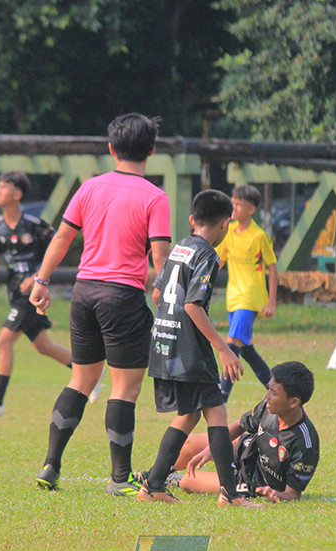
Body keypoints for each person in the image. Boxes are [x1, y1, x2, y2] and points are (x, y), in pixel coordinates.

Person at [29, 113, 172, 496]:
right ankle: (119, 479)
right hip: (122, 298)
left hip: (84, 293)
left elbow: (62, 238)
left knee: (80, 380)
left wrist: (42, 280)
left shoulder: (89, 187)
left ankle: (51, 464)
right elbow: (161, 256)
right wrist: (165, 291)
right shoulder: (155, 197)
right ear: (152, 151)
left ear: (111, 149)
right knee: (124, 388)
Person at [136, 189, 260, 508]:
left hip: (165, 342)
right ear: (225, 224)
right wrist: (223, 348)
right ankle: (230, 494)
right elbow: (193, 305)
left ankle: (153, 485)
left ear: (193, 220)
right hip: (190, 348)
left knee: (190, 414)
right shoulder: (207, 254)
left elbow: (157, 294)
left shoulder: (180, 247)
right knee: (215, 411)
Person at [0, 172, 100, 417]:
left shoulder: (34, 225)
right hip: (15, 291)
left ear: (17, 194)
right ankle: (91, 374)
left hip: (31, 295)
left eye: (4, 187)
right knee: (43, 346)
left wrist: (39, 275)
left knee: (3, 342)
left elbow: (58, 246)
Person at [160, 361, 319, 503]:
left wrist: (275, 494)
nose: (267, 396)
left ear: (293, 402)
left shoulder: (305, 443)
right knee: (190, 443)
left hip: (252, 481)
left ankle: (173, 479)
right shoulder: (267, 407)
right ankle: (156, 476)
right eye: (269, 389)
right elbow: (240, 425)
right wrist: (212, 449)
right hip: (249, 448)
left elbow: (293, 494)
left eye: (274, 393)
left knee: (188, 482)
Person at [215, 185, 278, 402]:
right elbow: (218, 262)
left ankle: (221, 399)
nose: (234, 207)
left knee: (231, 344)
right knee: (246, 350)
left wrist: (271, 302)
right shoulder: (229, 232)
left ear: (251, 209)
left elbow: (273, 268)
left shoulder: (259, 236)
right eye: (233, 202)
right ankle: (278, 390)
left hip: (250, 299)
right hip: (233, 299)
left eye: (239, 204)